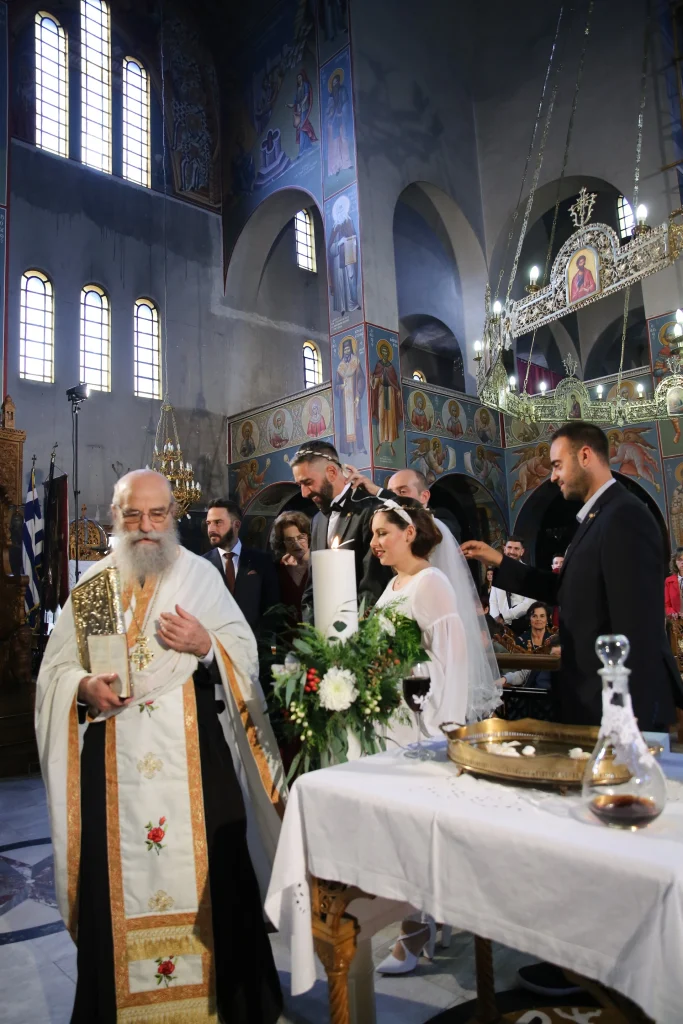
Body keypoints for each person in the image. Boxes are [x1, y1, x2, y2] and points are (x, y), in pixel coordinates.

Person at [36, 470, 284, 1024]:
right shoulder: (97, 586)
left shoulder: (199, 577)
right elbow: (56, 670)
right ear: (114, 516)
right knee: (112, 880)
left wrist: (205, 645)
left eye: (156, 515)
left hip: (196, 754)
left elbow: (243, 654)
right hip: (112, 761)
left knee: (217, 869)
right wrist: (81, 686)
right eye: (132, 515)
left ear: (174, 517)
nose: (145, 527)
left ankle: (227, 1004)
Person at [462, 421, 682, 730]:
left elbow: (636, 625)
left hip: (619, 704)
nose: (553, 476)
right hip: (592, 695)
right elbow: (563, 589)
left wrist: (627, 717)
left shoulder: (624, 516)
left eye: (557, 465)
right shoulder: (596, 517)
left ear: (586, 456)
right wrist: (497, 558)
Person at [370, 498, 500, 975]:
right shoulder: (394, 584)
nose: (375, 542)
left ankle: (415, 929)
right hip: (392, 721)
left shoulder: (432, 582)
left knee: (414, 831)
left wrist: (439, 734)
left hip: (421, 724)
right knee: (401, 832)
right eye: (372, 534)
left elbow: (452, 662)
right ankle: (424, 918)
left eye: (383, 532)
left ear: (409, 533)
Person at [290, 440, 395, 617]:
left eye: (308, 482)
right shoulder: (317, 520)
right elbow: (313, 585)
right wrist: (314, 632)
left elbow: (372, 585)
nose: (304, 493)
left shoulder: (369, 511)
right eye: (299, 484)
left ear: (331, 472)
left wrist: (347, 632)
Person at [203, 498, 280, 637]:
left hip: (255, 648)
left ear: (236, 525)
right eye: (209, 523)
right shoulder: (201, 565)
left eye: (218, 522)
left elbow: (272, 608)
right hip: (215, 649)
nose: (211, 529)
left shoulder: (262, 561)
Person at [346, 465, 462, 542]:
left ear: (424, 496)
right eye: (391, 492)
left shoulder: (442, 517)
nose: (395, 499)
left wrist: (378, 491)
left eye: (402, 491)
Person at [271, 511, 311, 624]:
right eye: (289, 540)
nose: (296, 544)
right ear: (282, 542)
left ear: (309, 537)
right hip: (286, 634)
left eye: (301, 537)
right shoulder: (278, 568)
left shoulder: (320, 565)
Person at [488, 536, 536, 627]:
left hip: (523, 623)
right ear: (504, 549)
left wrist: (505, 616)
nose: (512, 552)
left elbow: (529, 602)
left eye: (516, 549)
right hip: (500, 626)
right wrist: (495, 619)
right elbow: (493, 600)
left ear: (522, 552)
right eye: (509, 548)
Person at [664, 546, 683, 618]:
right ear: (675, 562)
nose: (682, 562)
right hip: (678, 625)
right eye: (679, 559)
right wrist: (671, 612)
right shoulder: (669, 581)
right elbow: (667, 605)